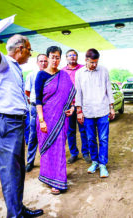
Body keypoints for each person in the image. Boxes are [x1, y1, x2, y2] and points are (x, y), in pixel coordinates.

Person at [0, 11, 43, 218]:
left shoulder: (16, 68)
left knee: (17, 174)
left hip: (15, 125)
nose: (30, 54)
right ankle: (14, 215)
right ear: (20, 49)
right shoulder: (3, 63)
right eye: (29, 50)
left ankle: (18, 209)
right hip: (6, 124)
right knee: (9, 175)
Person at [35, 46, 75, 195]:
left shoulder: (64, 75)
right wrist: (41, 120)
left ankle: (58, 180)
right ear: (48, 58)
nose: (55, 60)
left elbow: (70, 95)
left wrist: (71, 108)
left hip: (61, 119)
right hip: (46, 118)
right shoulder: (41, 76)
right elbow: (38, 99)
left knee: (59, 149)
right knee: (47, 149)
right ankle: (49, 177)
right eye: (52, 57)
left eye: (58, 57)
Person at [75, 48, 115, 178]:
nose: (94, 65)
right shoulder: (79, 73)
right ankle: (94, 162)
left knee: (103, 139)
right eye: (92, 62)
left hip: (103, 110)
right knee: (91, 139)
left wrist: (111, 107)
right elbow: (78, 93)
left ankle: (103, 164)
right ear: (86, 60)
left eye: (96, 62)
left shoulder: (103, 70)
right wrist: (79, 111)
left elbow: (109, 88)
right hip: (87, 112)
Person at [61, 49, 91, 164]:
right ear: (66, 58)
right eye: (70, 55)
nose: (72, 57)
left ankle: (86, 153)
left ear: (77, 57)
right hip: (68, 106)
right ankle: (74, 153)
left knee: (84, 130)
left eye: (74, 55)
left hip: (82, 105)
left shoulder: (84, 69)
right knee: (70, 131)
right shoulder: (62, 71)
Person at [24, 54, 48, 172]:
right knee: (33, 135)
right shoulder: (32, 75)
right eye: (41, 61)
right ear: (37, 62)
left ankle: (47, 161)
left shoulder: (51, 75)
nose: (43, 63)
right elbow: (27, 92)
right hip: (34, 108)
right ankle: (30, 161)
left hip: (48, 109)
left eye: (45, 61)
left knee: (47, 134)